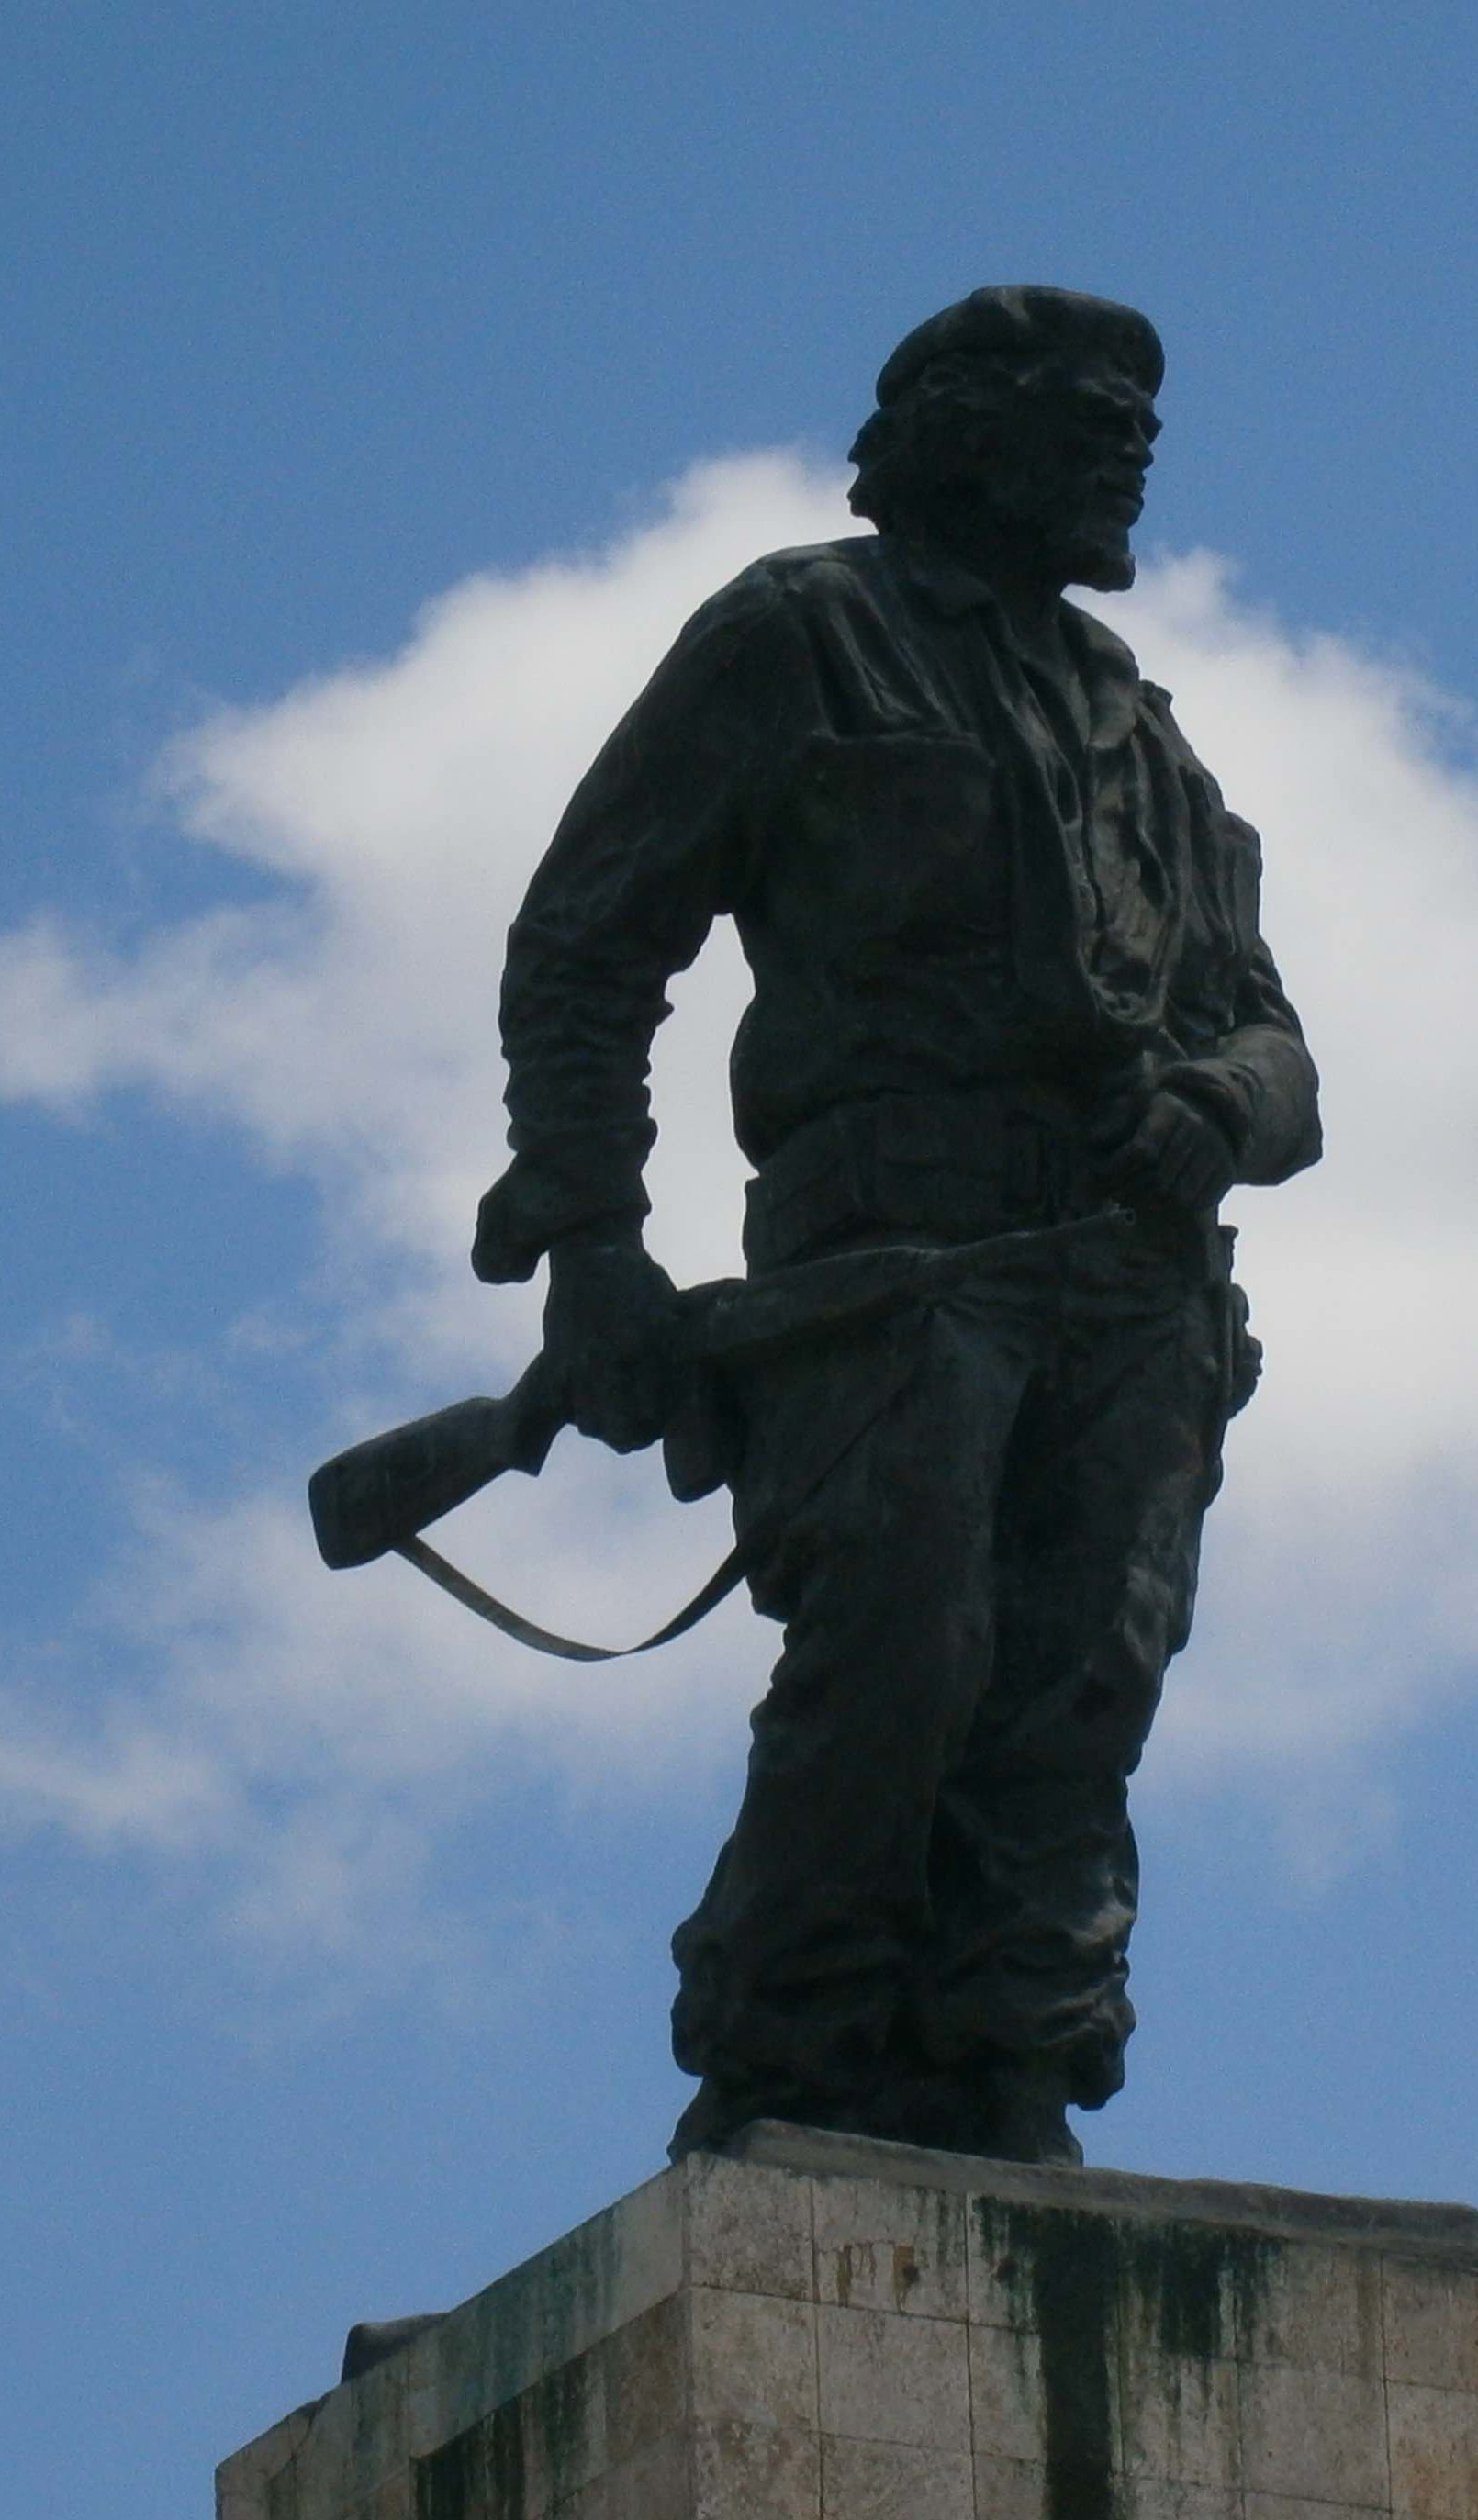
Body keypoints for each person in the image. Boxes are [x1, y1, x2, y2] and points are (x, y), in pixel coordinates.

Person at [471, 285, 1320, 2164]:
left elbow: (1274, 1037)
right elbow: (588, 937)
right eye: (1081, 410)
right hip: (892, 1270)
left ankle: (1013, 2066)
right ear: (955, 431)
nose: (1127, 445)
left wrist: (1217, 1107)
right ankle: (793, 2059)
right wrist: (597, 1241)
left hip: (1132, 1289)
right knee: (900, 1662)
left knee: (1078, 1688)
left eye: (1136, 418)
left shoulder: (1145, 737)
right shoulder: (805, 637)